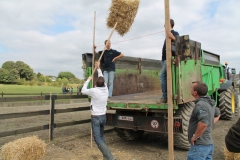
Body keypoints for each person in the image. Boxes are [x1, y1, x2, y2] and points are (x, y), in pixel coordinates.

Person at [81, 62, 116, 160]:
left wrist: (88, 80)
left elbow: (83, 90)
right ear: (104, 83)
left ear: (96, 83)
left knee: (97, 138)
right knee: (101, 136)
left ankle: (109, 156)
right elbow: (101, 77)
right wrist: (98, 68)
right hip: (103, 117)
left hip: (96, 117)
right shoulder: (105, 89)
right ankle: (106, 156)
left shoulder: (94, 91)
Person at [187, 81, 221, 160]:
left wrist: (195, 137)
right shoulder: (209, 103)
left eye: (191, 88)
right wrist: (211, 123)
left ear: (195, 92)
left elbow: (203, 123)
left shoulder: (200, 105)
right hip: (208, 145)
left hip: (199, 147)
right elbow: (218, 114)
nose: (190, 89)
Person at [159, 19, 179, 103]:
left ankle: (165, 97)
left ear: (170, 24)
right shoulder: (166, 34)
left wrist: (173, 37)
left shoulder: (175, 33)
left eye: (165, 23)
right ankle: (167, 96)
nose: (164, 25)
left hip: (169, 59)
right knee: (166, 78)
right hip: (164, 59)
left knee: (162, 76)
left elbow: (179, 42)